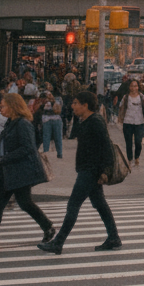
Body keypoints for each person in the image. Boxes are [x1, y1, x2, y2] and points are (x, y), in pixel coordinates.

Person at [37, 90, 120, 255]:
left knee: (73, 205)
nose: (72, 106)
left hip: (91, 170)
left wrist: (105, 171)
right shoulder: (85, 121)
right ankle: (114, 237)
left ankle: (58, 242)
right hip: (87, 169)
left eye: (75, 103)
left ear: (85, 105)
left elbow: (106, 147)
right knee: (100, 204)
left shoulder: (96, 121)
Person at [0, 93, 54, 255]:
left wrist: (4, 159)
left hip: (17, 171)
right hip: (7, 170)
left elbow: (28, 148)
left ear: (13, 106)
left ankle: (47, 227)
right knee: (0, 205)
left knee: (23, 203)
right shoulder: (11, 122)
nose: (0, 109)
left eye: (3, 106)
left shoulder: (22, 124)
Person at [115, 79, 144, 168]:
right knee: (128, 142)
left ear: (138, 87)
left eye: (135, 86)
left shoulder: (142, 98)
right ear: (129, 87)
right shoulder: (126, 98)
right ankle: (130, 159)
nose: (133, 88)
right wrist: (120, 118)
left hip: (139, 122)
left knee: (138, 142)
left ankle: (137, 157)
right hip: (128, 122)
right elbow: (121, 107)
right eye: (132, 86)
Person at [37, 91, 63, 158]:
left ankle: (59, 153)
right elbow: (40, 109)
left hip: (56, 119)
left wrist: (52, 101)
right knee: (46, 136)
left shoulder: (57, 100)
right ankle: (46, 152)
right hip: (46, 119)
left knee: (58, 136)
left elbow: (60, 108)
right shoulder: (42, 102)